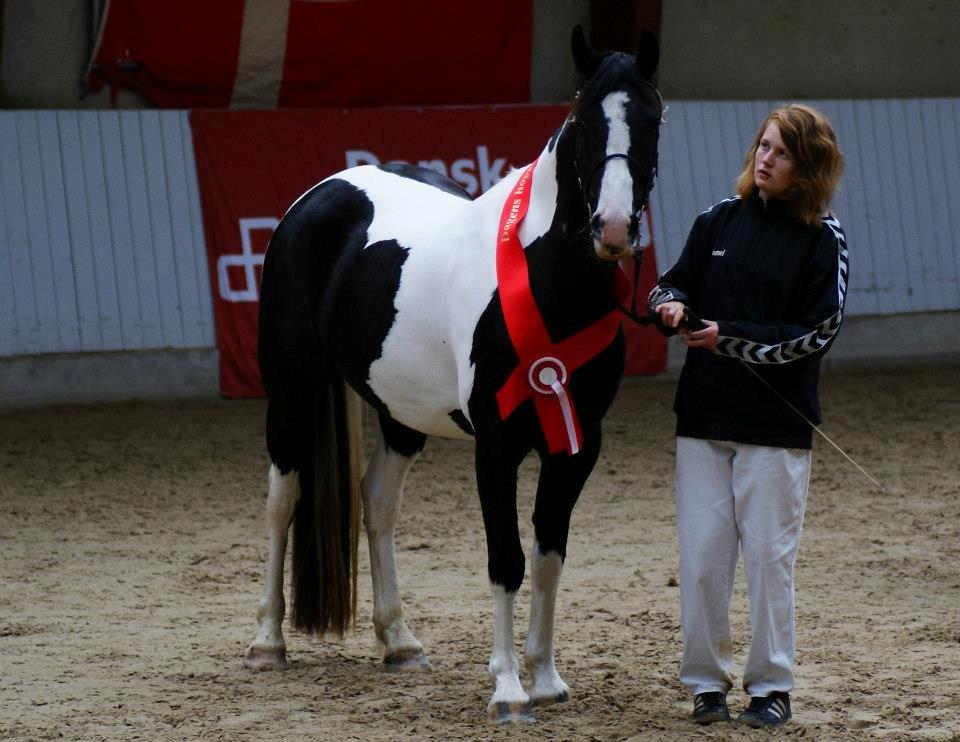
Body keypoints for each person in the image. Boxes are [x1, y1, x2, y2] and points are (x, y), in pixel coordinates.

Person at [648, 104, 846, 727]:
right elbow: (666, 284)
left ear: (807, 166)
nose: (765, 159)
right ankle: (706, 684)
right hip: (703, 420)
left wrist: (725, 335)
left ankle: (771, 687)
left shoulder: (824, 238)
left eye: (782, 152)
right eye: (763, 146)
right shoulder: (716, 221)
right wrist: (672, 307)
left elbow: (816, 332)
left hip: (776, 432)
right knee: (704, 559)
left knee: (767, 561)